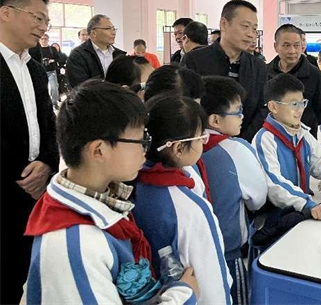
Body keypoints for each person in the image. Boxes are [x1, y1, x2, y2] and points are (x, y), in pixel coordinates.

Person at [24, 81, 199, 304]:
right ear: (99, 150)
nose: (144, 151)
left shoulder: (106, 197)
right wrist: (183, 295)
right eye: (140, 141)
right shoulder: (75, 245)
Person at [134, 93, 232, 305]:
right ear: (178, 148)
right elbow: (212, 279)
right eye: (200, 137)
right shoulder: (188, 209)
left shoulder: (135, 182)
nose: (204, 141)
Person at [0, 0, 59, 304]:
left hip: (35, 189)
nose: (43, 26)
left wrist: (48, 162)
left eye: (46, 21)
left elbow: (48, 123)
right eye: (37, 17)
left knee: (25, 270)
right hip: (10, 185)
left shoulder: (34, 69)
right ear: (6, 13)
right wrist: (22, 174)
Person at [253, 74, 321, 223]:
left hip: (299, 213)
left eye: (302, 103)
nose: (300, 110)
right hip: (274, 220)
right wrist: (306, 203)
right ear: (273, 107)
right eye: (293, 104)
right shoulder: (265, 139)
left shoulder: (302, 134)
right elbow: (274, 184)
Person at [201, 76, 268, 305]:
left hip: (196, 253)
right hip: (229, 251)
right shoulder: (236, 150)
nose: (242, 117)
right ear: (215, 120)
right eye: (237, 111)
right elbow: (257, 199)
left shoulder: (187, 147)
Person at [182, 0, 267, 142]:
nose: (251, 35)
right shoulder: (194, 60)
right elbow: (187, 105)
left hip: (244, 144)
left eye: (254, 29)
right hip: (202, 144)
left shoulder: (258, 66)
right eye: (245, 26)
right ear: (224, 24)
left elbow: (261, 109)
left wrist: (241, 142)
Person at [266, 24, 321, 138]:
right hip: (271, 137)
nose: (292, 51)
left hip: (304, 137)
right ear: (276, 46)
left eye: (297, 45)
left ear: (302, 46)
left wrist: (308, 123)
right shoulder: (265, 72)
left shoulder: (314, 74)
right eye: (286, 45)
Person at [67, 14, 126, 87]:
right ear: (94, 33)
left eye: (113, 29)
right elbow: (81, 87)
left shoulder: (119, 55)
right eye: (108, 29)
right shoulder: (78, 55)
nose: (113, 33)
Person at [39, 33, 59, 108]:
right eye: (42, 39)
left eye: (45, 39)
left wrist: (52, 60)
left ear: (48, 40)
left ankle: (54, 102)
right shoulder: (37, 49)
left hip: (51, 71)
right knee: (43, 89)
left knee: (54, 88)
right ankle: (45, 103)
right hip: (41, 72)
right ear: (40, 40)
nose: (44, 40)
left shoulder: (52, 49)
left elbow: (58, 58)